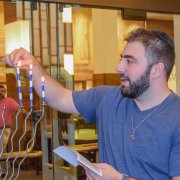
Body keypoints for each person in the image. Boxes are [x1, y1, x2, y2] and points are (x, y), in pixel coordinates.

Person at [2, 28, 180, 180]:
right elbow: (59, 97)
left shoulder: (176, 118)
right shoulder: (108, 97)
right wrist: (33, 66)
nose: (118, 67)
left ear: (156, 70)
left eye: (130, 61)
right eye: (121, 59)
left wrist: (120, 178)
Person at [0, 85, 27, 177]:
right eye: (0, 91)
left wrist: (28, 114)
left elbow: (19, 108)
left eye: (3, 91)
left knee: (1, 149)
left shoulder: (9, 101)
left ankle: (3, 171)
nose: (1, 92)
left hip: (4, 129)